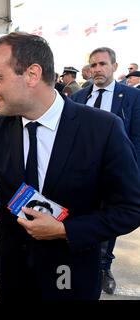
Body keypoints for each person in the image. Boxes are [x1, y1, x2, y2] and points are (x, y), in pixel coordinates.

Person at [0, 32, 140, 299]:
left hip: (70, 275)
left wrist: (65, 230)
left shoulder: (102, 128)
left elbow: (130, 209)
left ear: (32, 74)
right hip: (13, 273)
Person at [70, 47, 140, 295]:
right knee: (82, 220)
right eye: (93, 65)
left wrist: (132, 175)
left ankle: (103, 266)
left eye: (102, 64)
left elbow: (137, 138)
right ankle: (80, 265)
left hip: (113, 173)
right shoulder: (79, 97)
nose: (97, 69)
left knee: (108, 221)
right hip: (81, 175)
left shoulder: (131, 97)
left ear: (114, 66)